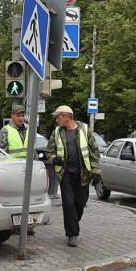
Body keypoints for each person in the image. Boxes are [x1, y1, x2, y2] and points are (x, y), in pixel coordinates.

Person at [45, 105, 101, 248]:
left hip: (83, 174)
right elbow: (48, 152)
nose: (56, 120)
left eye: (58, 117)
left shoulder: (85, 130)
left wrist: (96, 172)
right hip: (65, 174)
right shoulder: (57, 132)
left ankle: (73, 223)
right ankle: (72, 234)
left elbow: (94, 152)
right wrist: (54, 159)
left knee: (80, 203)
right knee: (68, 204)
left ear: (67, 116)